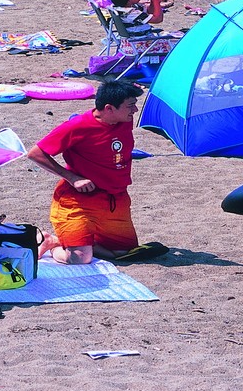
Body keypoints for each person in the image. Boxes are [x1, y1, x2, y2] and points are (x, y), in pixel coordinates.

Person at [27, 80, 161, 265]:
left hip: (115, 201)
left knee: (122, 252)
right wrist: (72, 178)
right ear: (109, 108)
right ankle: (52, 243)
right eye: (130, 106)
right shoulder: (77, 126)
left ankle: (71, 240)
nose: (135, 111)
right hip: (78, 200)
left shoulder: (124, 121)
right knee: (80, 258)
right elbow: (35, 153)